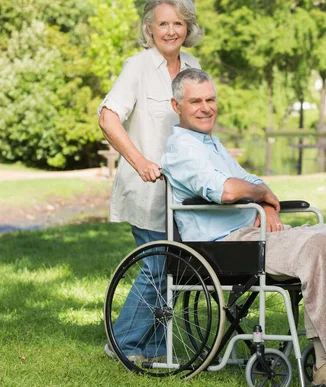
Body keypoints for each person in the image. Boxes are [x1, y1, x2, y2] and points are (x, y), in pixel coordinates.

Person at [160, 68, 326, 387]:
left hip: (253, 234)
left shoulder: (210, 143)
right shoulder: (181, 149)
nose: (206, 107)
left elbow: (249, 180)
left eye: (211, 99)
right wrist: (261, 196)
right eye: (196, 101)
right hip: (225, 245)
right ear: (176, 105)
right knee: (320, 246)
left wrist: (262, 200)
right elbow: (229, 191)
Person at [97, 0, 202, 361]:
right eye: (163, 24)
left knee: (176, 266)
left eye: (178, 23)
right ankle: (123, 343)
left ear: (187, 27)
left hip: (183, 190)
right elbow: (109, 117)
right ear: (149, 29)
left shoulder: (192, 67)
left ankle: (155, 345)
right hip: (147, 187)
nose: (171, 31)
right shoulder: (137, 68)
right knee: (158, 266)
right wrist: (139, 160)